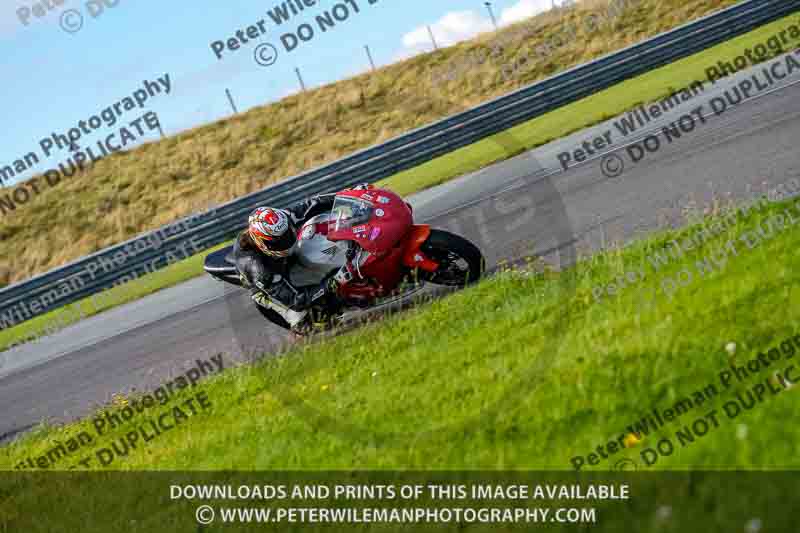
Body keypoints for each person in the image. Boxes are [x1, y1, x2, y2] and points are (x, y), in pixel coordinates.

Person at [233, 192, 362, 334]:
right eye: (280, 241)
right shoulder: (259, 269)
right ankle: (300, 326)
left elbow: (314, 203)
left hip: (282, 260)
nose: (287, 240)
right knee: (301, 320)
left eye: (287, 233)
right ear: (262, 242)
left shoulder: (283, 219)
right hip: (267, 284)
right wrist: (332, 282)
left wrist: (351, 195)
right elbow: (296, 300)